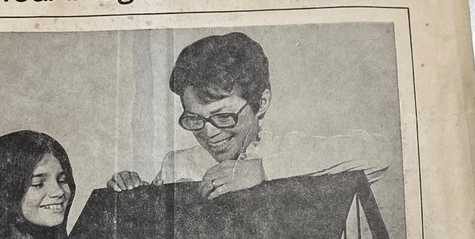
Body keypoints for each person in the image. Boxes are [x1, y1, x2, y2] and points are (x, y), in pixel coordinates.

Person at [107, 31, 390, 200]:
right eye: (194, 119)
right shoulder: (176, 165)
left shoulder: (286, 149)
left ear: (261, 103)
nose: (208, 133)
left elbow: (379, 152)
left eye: (223, 117)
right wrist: (135, 194)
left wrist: (263, 170)